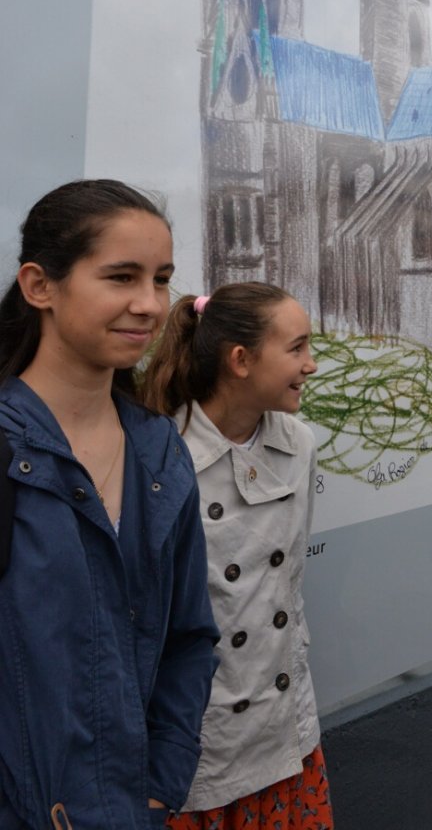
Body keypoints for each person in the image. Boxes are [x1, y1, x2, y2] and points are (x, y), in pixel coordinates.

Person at [0, 179, 218, 830]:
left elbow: (189, 638)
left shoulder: (160, 453)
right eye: (121, 277)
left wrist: (158, 786)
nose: (149, 304)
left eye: (161, 278)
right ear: (40, 286)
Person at [141, 283, 333, 830]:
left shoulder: (299, 444)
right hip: (202, 733)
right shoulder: (160, 456)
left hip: (282, 721)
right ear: (240, 360)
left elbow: (287, 586)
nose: (310, 365)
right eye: (296, 348)